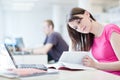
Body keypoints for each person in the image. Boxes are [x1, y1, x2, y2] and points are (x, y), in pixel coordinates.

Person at [67, 7, 120, 75]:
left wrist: (95, 65)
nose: (79, 27)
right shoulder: (92, 38)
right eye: (76, 28)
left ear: (87, 14)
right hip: (103, 76)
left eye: (79, 22)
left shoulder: (110, 30)